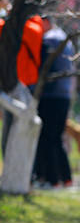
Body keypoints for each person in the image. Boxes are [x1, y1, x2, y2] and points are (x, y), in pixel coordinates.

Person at [33, 18, 75, 187]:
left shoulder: (49, 39)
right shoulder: (65, 38)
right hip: (64, 95)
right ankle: (65, 178)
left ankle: (51, 179)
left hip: (50, 95)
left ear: (46, 22)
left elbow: (44, 65)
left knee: (46, 137)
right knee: (56, 138)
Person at [0, 13, 44, 152]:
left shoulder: (30, 28)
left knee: (13, 130)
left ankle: (13, 166)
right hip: (26, 82)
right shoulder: (36, 27)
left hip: (19, 84)